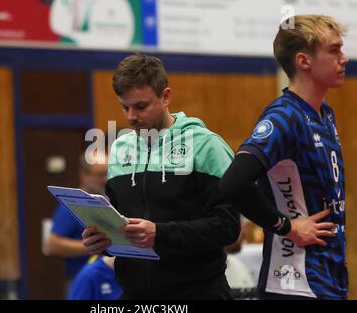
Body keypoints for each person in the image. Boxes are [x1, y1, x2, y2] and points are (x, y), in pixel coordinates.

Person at [82, 53, 241, 299]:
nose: (131, 116)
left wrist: (160, 233)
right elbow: (119, 225)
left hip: (198, 292)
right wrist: (104, 242)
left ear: (165, 97)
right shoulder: (120, 149)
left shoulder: (206, 146)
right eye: (125, 107)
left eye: (141, 106)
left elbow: (228, 227)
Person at [219, 15, 348, 299]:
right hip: (294, 283)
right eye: (334, 50)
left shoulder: (325, 114)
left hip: (328, 276)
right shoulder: (283, 118)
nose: (344, 58)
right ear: (305, 61)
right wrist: (287, 227)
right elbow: (233, 183)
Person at [47, 152, 108, 294]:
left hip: (108, 281)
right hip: (81, 282)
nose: (106, 179)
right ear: (84, 175)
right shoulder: (73, 203)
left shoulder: (109, 200)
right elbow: (52, 244)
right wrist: (94, 246)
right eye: (100, 174)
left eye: (108, 173)